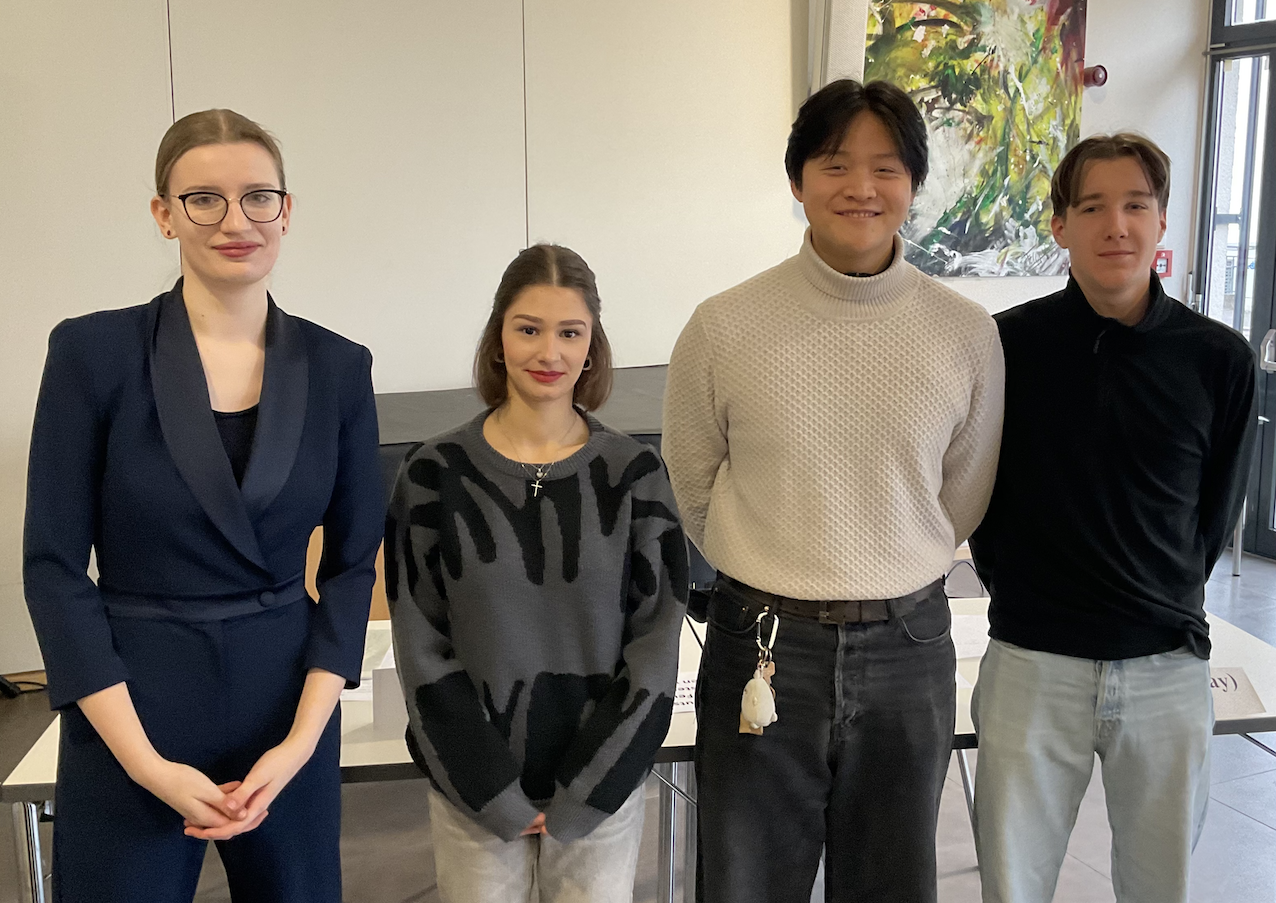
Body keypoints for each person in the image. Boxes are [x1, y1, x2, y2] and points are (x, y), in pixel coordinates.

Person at [23, 109, 384, 902]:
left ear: (286, 210)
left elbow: (354, 564)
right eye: (204, 199)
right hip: (134, 705)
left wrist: (300, 743)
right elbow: (53, 568)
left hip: (284, 707)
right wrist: (145, 763)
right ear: (164, 214)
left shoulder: (338, 367)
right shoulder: (92, 353)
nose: (236, 220)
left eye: (258, 197)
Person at [662, 78, 1004, 903]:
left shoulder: (965, 332)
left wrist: (888, 555)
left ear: (914, 184)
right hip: (762, 642)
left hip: (908, 645)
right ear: (797, 179)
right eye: (835, 164)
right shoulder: (724, 325)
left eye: (886, 167)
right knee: (744, 883)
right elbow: (695, 483)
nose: (862, 187)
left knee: (892, 883)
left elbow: (962, 495)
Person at [968, 133, 1258, 903]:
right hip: (1031, 662)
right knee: (1012, 886)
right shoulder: (1005, 345)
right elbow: (981, 499)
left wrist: (1153, 590)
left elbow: (1211, 518)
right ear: (1060, 224)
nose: (1116, 225)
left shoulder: (1218, 358)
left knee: (1161, 886)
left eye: (1136, 205)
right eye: (1092, 206)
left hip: (1166, 666)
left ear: (1162, 219)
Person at [385, 243, 688, 903]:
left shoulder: (635, 475)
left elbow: (656, 642)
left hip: (598, 799)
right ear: (498, 337)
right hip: (474, 796)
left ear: (592, 346)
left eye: (570, 332)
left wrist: (588, 791)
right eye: (529, 329)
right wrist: (488, 789)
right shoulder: (433, 474)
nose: (549, 352)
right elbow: (419, 642)